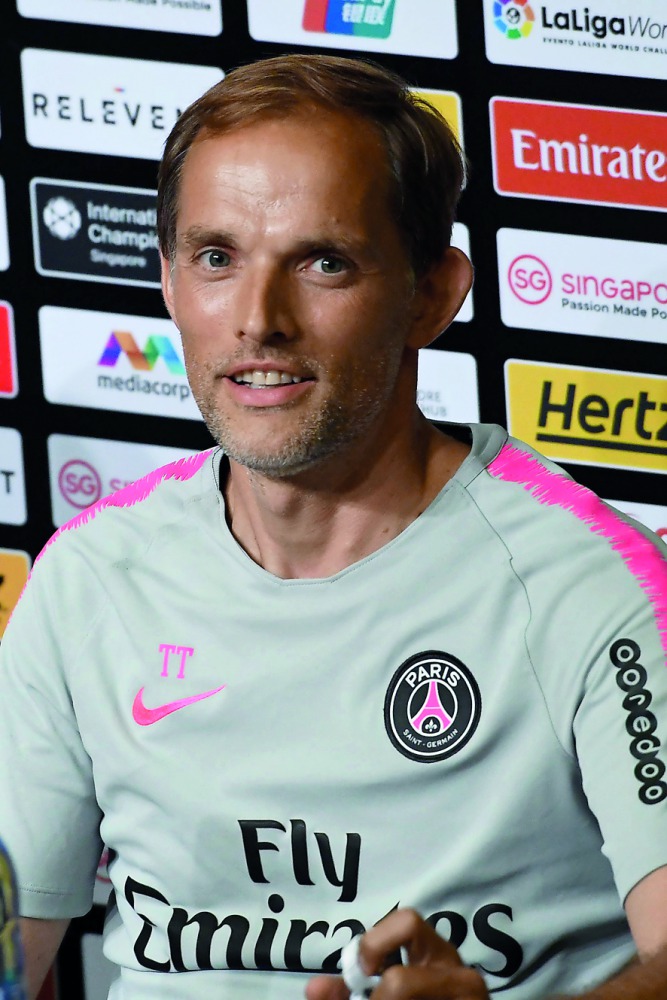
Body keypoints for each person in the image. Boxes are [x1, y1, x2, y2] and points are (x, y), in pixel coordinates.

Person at [0, 52, 666, 1000]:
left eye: (324, 262)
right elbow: (12, 951)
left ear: (431, 295)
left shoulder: (595, 583)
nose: (258, 321)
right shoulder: (89, 578)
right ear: (169, 283)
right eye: (217, 258)